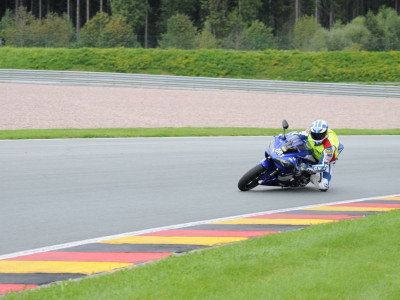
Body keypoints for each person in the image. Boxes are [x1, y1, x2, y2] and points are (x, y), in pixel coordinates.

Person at [299, 120, 343, 192]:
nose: (317, 137)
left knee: (323, 187)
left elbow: (322, 166)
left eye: (320, 135)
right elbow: (297, 133)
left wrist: (307, 168)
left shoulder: (329, 147)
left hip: (327, 160)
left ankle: (311, 177)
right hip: (314, 152)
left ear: (325, 133)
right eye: (314, 135)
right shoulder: (309, 133)